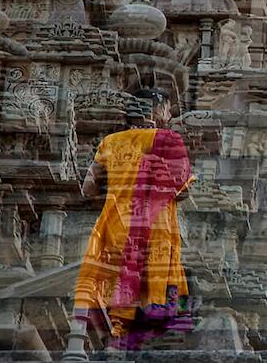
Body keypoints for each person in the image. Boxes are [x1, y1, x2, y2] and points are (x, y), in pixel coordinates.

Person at [73, 88, 195, 351]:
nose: (169, 114)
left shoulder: (111, 142)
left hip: (116, 222)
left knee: (116, 283)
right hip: (155, 225)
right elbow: (182, 189)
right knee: (154, 287)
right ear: (155, 109)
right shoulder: (169, 139)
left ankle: (115, 340)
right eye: (167, 108)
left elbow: (88, 188)